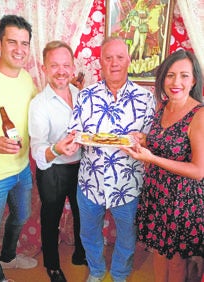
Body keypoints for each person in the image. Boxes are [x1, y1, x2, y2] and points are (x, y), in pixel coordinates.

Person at [68, 36, 156, 282]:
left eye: (120, 57)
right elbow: (75, 132)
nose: (114, 63)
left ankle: (119, 274)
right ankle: (96, 271)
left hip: (128, 185)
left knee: (127, 236)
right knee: (89, 233)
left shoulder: (145, 98)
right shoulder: (85, 96)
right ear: (101, 62)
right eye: (108, 58)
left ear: (129, 60)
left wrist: (144, 140)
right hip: (90, 182)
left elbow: (153, 140)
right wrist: (70, 141)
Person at [121, 49, 204, 282]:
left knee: (176, 262)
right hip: (157, 194)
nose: (176, 82)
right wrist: (144, 140)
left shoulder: (199, 115)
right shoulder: (163, 107)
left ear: (194, 80)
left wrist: (152, 159)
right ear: (162, 79)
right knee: (158, 251)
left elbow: (199, 170)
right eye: (170, 75)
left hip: (182, 200)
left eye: (184, 75)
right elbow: (165, 144)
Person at [0, 15, 38, 282]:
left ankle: (8, 257)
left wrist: (68, 93)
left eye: (24, 43)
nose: (19, 49)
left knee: (21, 216)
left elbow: (39, 108)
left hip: (21, 168)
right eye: (12, 42)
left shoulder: (26, 78)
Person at [28, 40, 86, 282]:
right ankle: (52, 265)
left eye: (65, 65)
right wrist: (57, 149)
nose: (61, 71)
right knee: (50, 219)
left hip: (83, 167)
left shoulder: (81, 94)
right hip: (53, 171)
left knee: (82, 213)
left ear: (73, 67)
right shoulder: (39, 104)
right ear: (44, 69)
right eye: (54, 65)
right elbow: (37, 149)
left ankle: (80, 253)